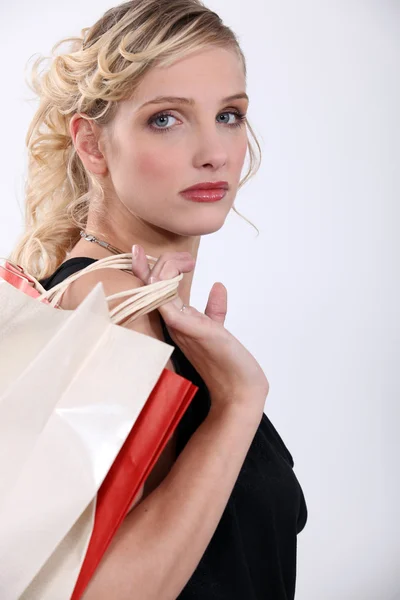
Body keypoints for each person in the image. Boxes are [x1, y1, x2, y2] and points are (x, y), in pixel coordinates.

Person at [10, 0, 308, 598]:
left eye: (229, 115)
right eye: (166, 119)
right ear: (92, 145)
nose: (214, 151)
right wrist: (238, 402)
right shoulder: (111, 312)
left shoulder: (132, 306)